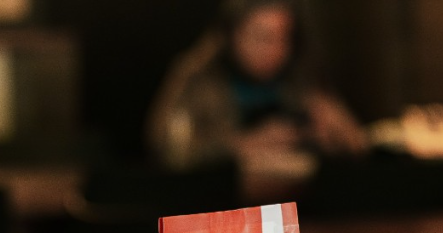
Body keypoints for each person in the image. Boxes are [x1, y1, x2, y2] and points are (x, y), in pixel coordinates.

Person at [146, 0, 367, 171]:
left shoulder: (300, 78)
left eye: (283, 37)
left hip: (300, 206)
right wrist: (240, 146)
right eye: (262, 37)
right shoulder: (199, 76)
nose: (275, 49)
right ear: (233, 34)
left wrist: (327, 135)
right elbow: (168, 148)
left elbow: (357, 142)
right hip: (221, 207)